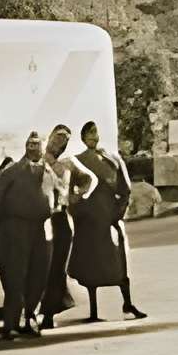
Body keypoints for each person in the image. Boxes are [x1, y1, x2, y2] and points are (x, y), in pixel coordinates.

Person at [68, 121, 144, 322]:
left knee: (119, 263)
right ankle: (93, 311)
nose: (93, 136)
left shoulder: (112, 160)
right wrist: (78, 212)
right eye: (89, 133)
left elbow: (125, 189)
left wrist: (119, 212)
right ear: (83, 138)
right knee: (91, 265)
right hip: (89, 221)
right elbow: (71, 194)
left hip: (110, 217)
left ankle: (127, 304)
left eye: (96, 132)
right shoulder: (77, 162)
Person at [0, 132, 62, 340]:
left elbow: (60, 191)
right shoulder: (11, 171)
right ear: (25, 146)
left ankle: (30, 317)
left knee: (39, 274)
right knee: (15, 275)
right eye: (30, 144)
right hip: (17, 228)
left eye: (36, 144)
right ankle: (11, 323)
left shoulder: (48, 171)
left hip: (42, 228)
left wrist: (59, 205)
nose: (33, 148)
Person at [41, 125, 90, 324]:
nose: (60, 143)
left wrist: (76, 195)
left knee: (56, 269)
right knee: (40, 267)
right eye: (58, 138)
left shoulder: (68, 165)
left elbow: (88, 179)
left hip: (60, 221)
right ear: (49, 136)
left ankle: (49, 313)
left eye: (65, 141)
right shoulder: (37, 162)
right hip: (40, 220)